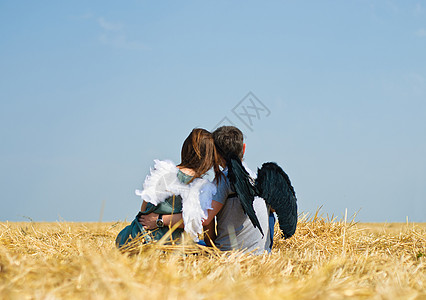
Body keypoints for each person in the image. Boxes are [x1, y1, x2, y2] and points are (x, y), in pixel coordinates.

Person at [139, 126, 272, 254]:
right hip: (261, 253)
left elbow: (203, 218)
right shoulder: (258, 177)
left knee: (187, 246)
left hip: (229, 254)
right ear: (243, 149)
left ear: (216, 154)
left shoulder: (224, 179)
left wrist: (159, 219)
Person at [115, 128, 222, 248]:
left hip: (135, 238)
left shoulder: (162, 170)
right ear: (209, 157)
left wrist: (159, 219)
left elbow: (144, 209)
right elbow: (202, 228)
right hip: (170, 246)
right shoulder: (203, 187)